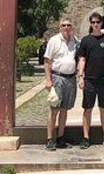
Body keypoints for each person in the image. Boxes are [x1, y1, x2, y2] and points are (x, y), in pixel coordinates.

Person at [77, 12, 104, 149]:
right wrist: (80, 77)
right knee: (87, 109)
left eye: (97, 22)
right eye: (93, 22)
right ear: (90, 24)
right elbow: (82, 59)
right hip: (89, 80)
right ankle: (85, 137)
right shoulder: (86, 40)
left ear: (101, 23)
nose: (95, 24)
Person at [43, 19, 79, 151]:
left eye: (69, 25)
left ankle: (60, 137)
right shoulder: (54, 41)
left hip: (70, 79)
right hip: (57, 77)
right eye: (63, 25)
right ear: (59, 27)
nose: (66, 27)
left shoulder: (75, 40)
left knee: (64, 110)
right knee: (54, 109)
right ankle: (49, 139)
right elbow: (47, 61)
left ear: (72, 27)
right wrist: (48, 80)